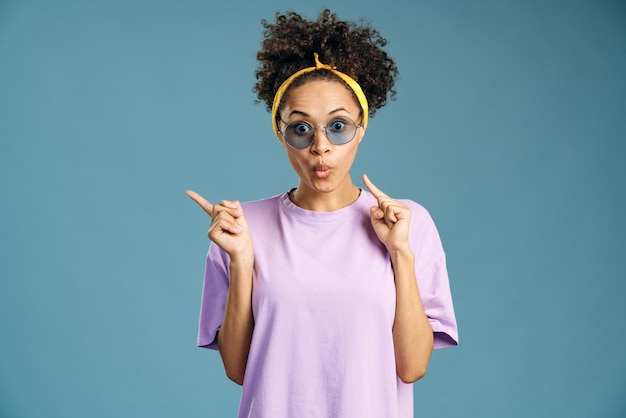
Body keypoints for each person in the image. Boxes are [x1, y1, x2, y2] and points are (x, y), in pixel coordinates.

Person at [186, 9, 458, 418]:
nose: (321, 147)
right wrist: (242, 260)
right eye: (301, 129)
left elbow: (413, 366)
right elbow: (239, 370)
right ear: (280, 134)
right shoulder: (241, 228)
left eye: (338, 127)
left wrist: (400, 254)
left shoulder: (406, 223)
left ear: (362, 127)